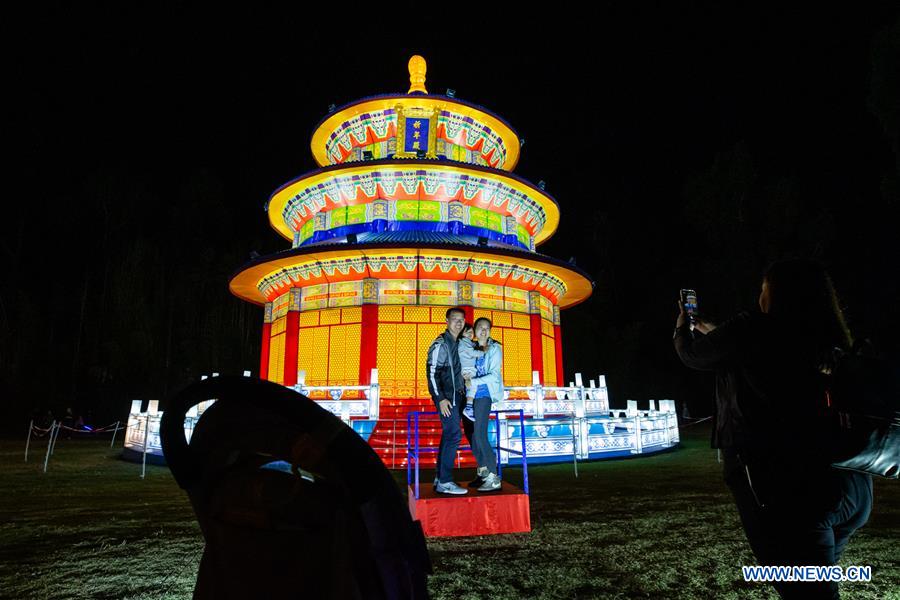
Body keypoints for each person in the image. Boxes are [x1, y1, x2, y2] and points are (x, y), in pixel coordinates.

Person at [674, 259, 872, 599]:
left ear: (775, 295)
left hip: (794, 491)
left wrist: (683, 327)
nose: (759, 296)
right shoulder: (828, 336)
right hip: (852, 487)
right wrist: (714, 328)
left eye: (763, 289)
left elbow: (694, 354)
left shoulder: (753, 329)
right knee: (819, 588)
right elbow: (751, 347)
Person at [425, 307, 468, 495]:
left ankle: (439, 477)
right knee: (454, 435)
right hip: (447, 398)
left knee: (448, 435)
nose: (458, 323)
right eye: (454, 319)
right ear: (447, 321)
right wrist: (440, 398)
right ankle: (445, 480)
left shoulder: (460, 343)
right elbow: (432, 373)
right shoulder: (440, 343)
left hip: (458, 395)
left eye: (461, 320)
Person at [464, 317, 503, 492]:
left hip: (484, 394)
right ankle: (483, 472)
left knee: (480, 435)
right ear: (475, 329)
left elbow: (494, 375)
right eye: (480, 327)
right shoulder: (471, 348)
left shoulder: (495, 348)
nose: (484, 330)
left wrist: (473, 381)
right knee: (473, 437)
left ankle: (494, 477)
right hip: (470, 397)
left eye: (487, 328)